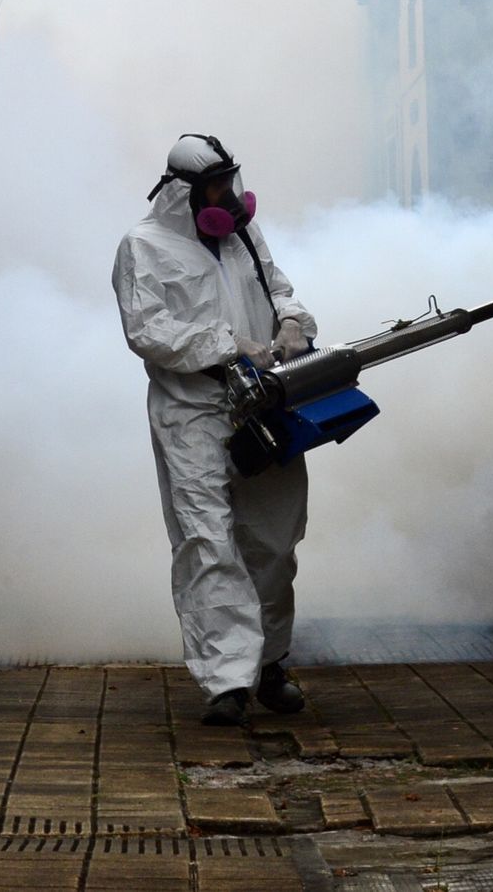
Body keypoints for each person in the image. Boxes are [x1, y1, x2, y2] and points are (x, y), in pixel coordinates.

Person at [113, 133, 315, 726]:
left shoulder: (243, 236)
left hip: (263, 406)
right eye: (216, 187)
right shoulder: (143, 247)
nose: (229, 196)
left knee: (274, 542)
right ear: (183, 193)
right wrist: (231, 348)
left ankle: (270, 664)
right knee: (209, 542)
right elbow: (147, 330)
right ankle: (227, 682)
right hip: (194, 413)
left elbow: (278, 288)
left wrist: (293, 325)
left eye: (232, 182)